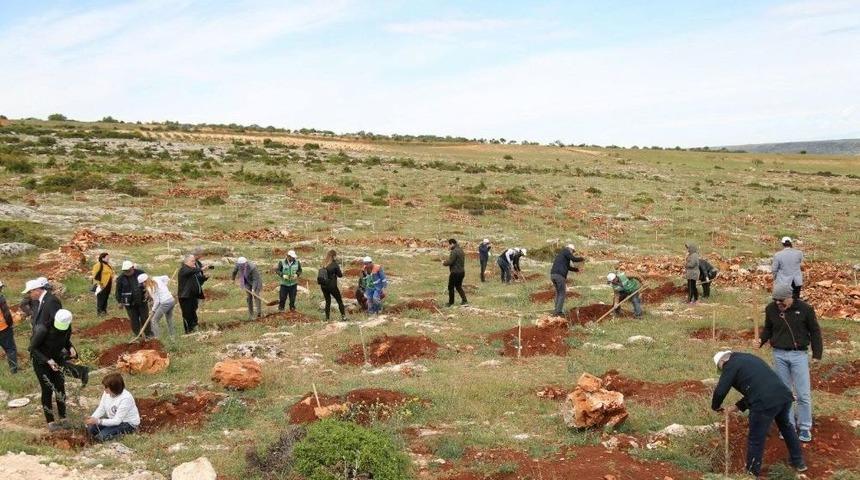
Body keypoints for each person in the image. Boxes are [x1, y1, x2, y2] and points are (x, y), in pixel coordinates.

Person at [711, 350, 807, 476]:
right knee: (786, 427)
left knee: (756, 438)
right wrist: (737, 407)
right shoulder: (747, 358)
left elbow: (721, 390)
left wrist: (716, 406)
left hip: (764, 403)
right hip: (783, 396)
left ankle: (751, 473)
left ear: (723, 361)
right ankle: (798, 462)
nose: (723, 370)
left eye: (721, 368)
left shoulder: (730, 365)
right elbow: (758, 387)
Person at [758, 282, 822, 442]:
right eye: (776, 300)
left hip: (799, 355)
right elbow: (768, 328)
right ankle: (788, 426)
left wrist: (817, 354)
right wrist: (761, 340)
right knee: (784, 393)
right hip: (779, 354)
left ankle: (805, 427)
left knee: (803, 394)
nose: (778, 304)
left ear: (790, 297)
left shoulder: (806, 309)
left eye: (781, 301)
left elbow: (815, 331)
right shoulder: (771, 309)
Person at [29, 309, 89, 431]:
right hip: (41, 362)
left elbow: (65, 340)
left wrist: (71, 347)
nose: (61, 329)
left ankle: (63, 417)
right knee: (47, 389)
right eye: (59, 326)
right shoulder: (42, 329)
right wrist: (48, 361)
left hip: (57, 359)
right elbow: (32, 348)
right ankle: (50, 421)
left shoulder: (67, 327)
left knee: (60, 387)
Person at [85, 373, 140, 442]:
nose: (104, 390)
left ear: (114, 388)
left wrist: (98, 421)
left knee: (101, 437)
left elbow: (117, 421)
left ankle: (128, 433)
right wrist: (92, 419)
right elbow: (102, 408)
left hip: (127, 423)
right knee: (91, 429)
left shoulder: (126, 398)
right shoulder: (107, 393)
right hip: (113, 420)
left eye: (106, 388)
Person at [115, 261, 152, 338]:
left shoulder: (141, 273)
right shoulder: (121, 278)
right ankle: (138, 335)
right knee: (134, 319)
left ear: (132, 268)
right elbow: (118, 290)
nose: (127, 273)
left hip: (142, 301)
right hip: (129, 303)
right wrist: (119, 302)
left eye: (128, 271)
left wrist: (149, 293)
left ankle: (148, 334)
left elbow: (148, 283)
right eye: (125, 271)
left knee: (144, 317)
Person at [550, 244, 585, 317]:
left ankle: (556, 310)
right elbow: (574, 259)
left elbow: (568, 267)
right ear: (570, 249)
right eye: (573, 251)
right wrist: (582, 258)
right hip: (560, 276)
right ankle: (558, 312)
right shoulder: (566, 251)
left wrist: (577, 270)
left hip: (553, 275)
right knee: (562, 293)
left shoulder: (562, 255)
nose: (572, 253)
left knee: (558, 293)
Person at [139, 273, 176, 339]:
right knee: (169, 319)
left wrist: (153, 310)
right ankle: (172, 337)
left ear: (145, 281)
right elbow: (166, 277)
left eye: (142, 283)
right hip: (171, 300)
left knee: (154, 320)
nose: (142, 285)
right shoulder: (156, 278)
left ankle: (157, 339)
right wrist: (164, 285)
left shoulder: (150, 287)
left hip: (165, 303)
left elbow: (157, 301)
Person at [178, 254, 207, 333]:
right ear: (186, 262)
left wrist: (205, 277)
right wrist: (201, 269)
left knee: (193, 312)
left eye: (194, 261)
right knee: (187, 314)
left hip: (192, 296)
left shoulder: (191, 270)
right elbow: (190, 272)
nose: (194, 262)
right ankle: (188, 331)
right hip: (185, 296)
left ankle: (194, 328)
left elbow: (197, 280)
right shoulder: (184, 269)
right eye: (192, 261)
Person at [318, 250, 347, 321]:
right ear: (333, 256)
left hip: (323, 286)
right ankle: (343, 316)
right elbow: (340, 275)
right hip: (332, 286)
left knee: (328, 302)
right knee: (339, 301)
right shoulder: (334, 264)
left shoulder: (324, 263)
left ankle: (327, 318)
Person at [443, 239, 468, 307]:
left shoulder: (454, 251)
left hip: (455, 272)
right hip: (462, 272)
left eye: (449, 245)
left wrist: (444, 263)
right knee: (458, 286)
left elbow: (451, 261)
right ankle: (464, 300)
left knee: (450, 287)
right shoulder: (461, 250)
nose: (448, 246)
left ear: (452, 244)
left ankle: (451, 303)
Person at [0, 280, 18, 373]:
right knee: (10, 349)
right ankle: (14, 371)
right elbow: (6, 314)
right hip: (3, 329)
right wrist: (10, 324)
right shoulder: (1, 299)